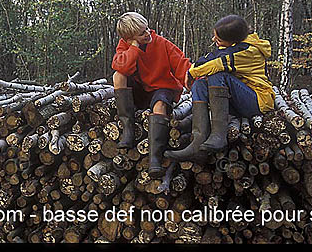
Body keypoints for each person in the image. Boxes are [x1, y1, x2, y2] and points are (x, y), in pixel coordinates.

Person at [164, 14, 275, 161]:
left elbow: (218, 63)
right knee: (200, 83)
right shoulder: (234, 46)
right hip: (239, 101)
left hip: (257, 102)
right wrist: (195, 69)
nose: (213, 41)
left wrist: (191, 72)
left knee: (217, 74)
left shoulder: (248, 50)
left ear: (232, 40)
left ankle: (218, 136)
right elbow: (209, 57)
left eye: (218, 39)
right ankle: (198, 141)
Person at [111, 12, 191, 178]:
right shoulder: (125, 46)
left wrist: (194, 81)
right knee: (118, 75)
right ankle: (128, 130)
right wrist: (134, 48)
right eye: (141, 33)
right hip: (141, 91)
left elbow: (182, 65)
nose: (148, 33)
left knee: (159, 105)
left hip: (163, 88)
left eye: (147, 29)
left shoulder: (162, 43)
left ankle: (155, 157)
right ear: (129, 38)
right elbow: (121, 66)